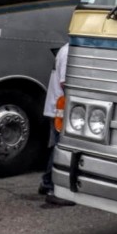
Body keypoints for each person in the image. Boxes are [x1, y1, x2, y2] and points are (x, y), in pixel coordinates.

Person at [38, 43, 74, 206]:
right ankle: (54, 189)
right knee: (61, 147)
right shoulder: (70, 51)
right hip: (62, 108)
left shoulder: (65, 49)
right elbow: (65, 83)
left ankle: (46, 182)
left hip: (58, 108)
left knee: (56, 146)